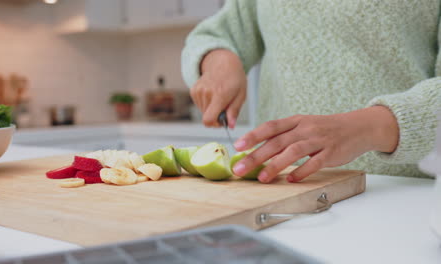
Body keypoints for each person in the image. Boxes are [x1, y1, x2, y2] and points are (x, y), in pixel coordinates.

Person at [181, 0, 441, 183]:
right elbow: (220, 31)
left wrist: (370, 128)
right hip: (277, 192)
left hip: (398, 195)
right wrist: (218, 59)